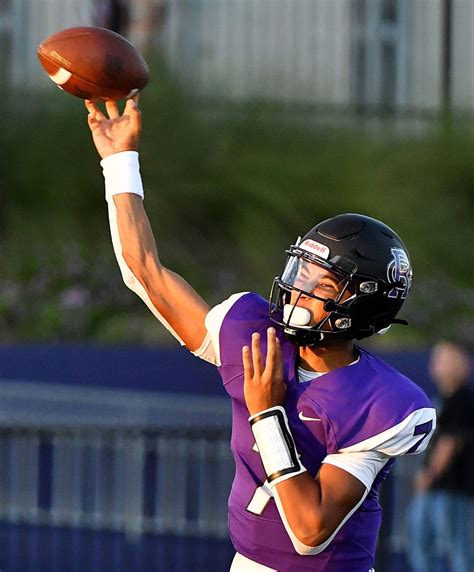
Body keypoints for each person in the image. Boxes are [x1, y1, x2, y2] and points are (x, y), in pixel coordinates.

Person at [84, 97, 436, 571]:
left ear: (362, 304)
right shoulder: (256, 336)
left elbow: (310, 532)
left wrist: (267, 413)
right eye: (301, 272)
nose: (297, 291)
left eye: (320, 285)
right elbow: (145, 271)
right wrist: (118, 162)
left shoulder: (381, 402)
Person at [407, 341, 474, 572]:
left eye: (444, 359)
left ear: (461, 364)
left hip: (451, 489)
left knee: (457, 548)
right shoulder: (443, 399)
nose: (437, 365)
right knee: (420, 544)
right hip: (435, 488)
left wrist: (429, 474)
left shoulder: (462, 399)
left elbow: (450, 441)